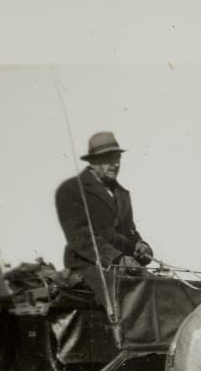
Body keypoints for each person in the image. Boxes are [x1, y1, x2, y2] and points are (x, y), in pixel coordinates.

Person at [55, 131, 155, 307]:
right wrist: (116, 258)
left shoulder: (122, 194)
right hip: (88, 264)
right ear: (93, 162)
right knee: (129, 298)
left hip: (123, 264)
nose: (115, 164)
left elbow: (130, 231)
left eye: (118, 158)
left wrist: (141, 245)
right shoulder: (71, 189)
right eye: (109, 158)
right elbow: (80, 236)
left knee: (161, 287)